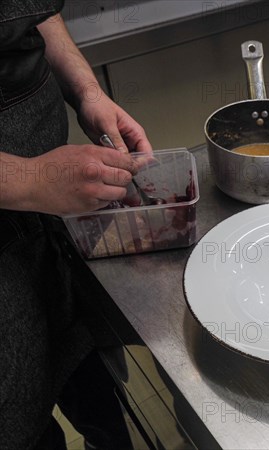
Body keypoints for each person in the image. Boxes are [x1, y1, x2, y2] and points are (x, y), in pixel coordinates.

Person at [1, 1, 152, 448]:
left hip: (57, 223)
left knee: (92, 385)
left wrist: (87, 91)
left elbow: (34, 11)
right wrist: (29, 178)